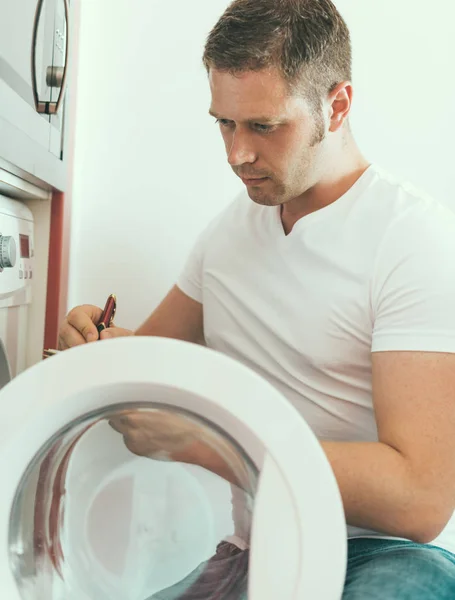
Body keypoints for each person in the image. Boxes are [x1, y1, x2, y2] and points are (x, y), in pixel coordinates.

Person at [58, 0, 455, 597]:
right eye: (224, 122)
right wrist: (93, 345)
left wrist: (201, 443)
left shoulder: (411, 238)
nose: (235, 154)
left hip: (380, 555)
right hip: (253, 555)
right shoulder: (228, 235)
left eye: (263, 126)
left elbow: (420, 500)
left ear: (337, 105)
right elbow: (139, 375)